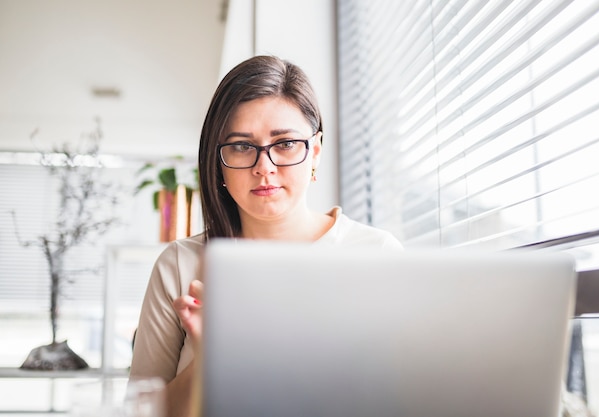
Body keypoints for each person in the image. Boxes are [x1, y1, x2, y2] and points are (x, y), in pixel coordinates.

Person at [129, 55, 403, 417]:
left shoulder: (377, 255)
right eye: (242, 146)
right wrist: (210, 357)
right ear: (219, 163)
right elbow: (141, 412)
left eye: (285, 144)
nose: (264, 167)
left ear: (315, 152)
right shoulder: (180, 265)